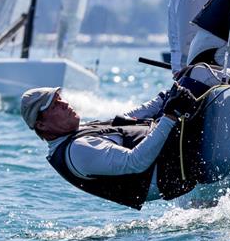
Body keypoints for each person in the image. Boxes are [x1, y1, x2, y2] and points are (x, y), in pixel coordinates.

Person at [20, 83, 209, 210]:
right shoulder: (78, 150)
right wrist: (170, 115)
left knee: (193, 78)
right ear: (41, 125)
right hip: (174, 168)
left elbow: (126, 119)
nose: (65, 104)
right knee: (200, 81)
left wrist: (166, 97)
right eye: (54, 105)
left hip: (173, 151)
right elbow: (135, 162)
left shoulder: (78, 133)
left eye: (60, 98)